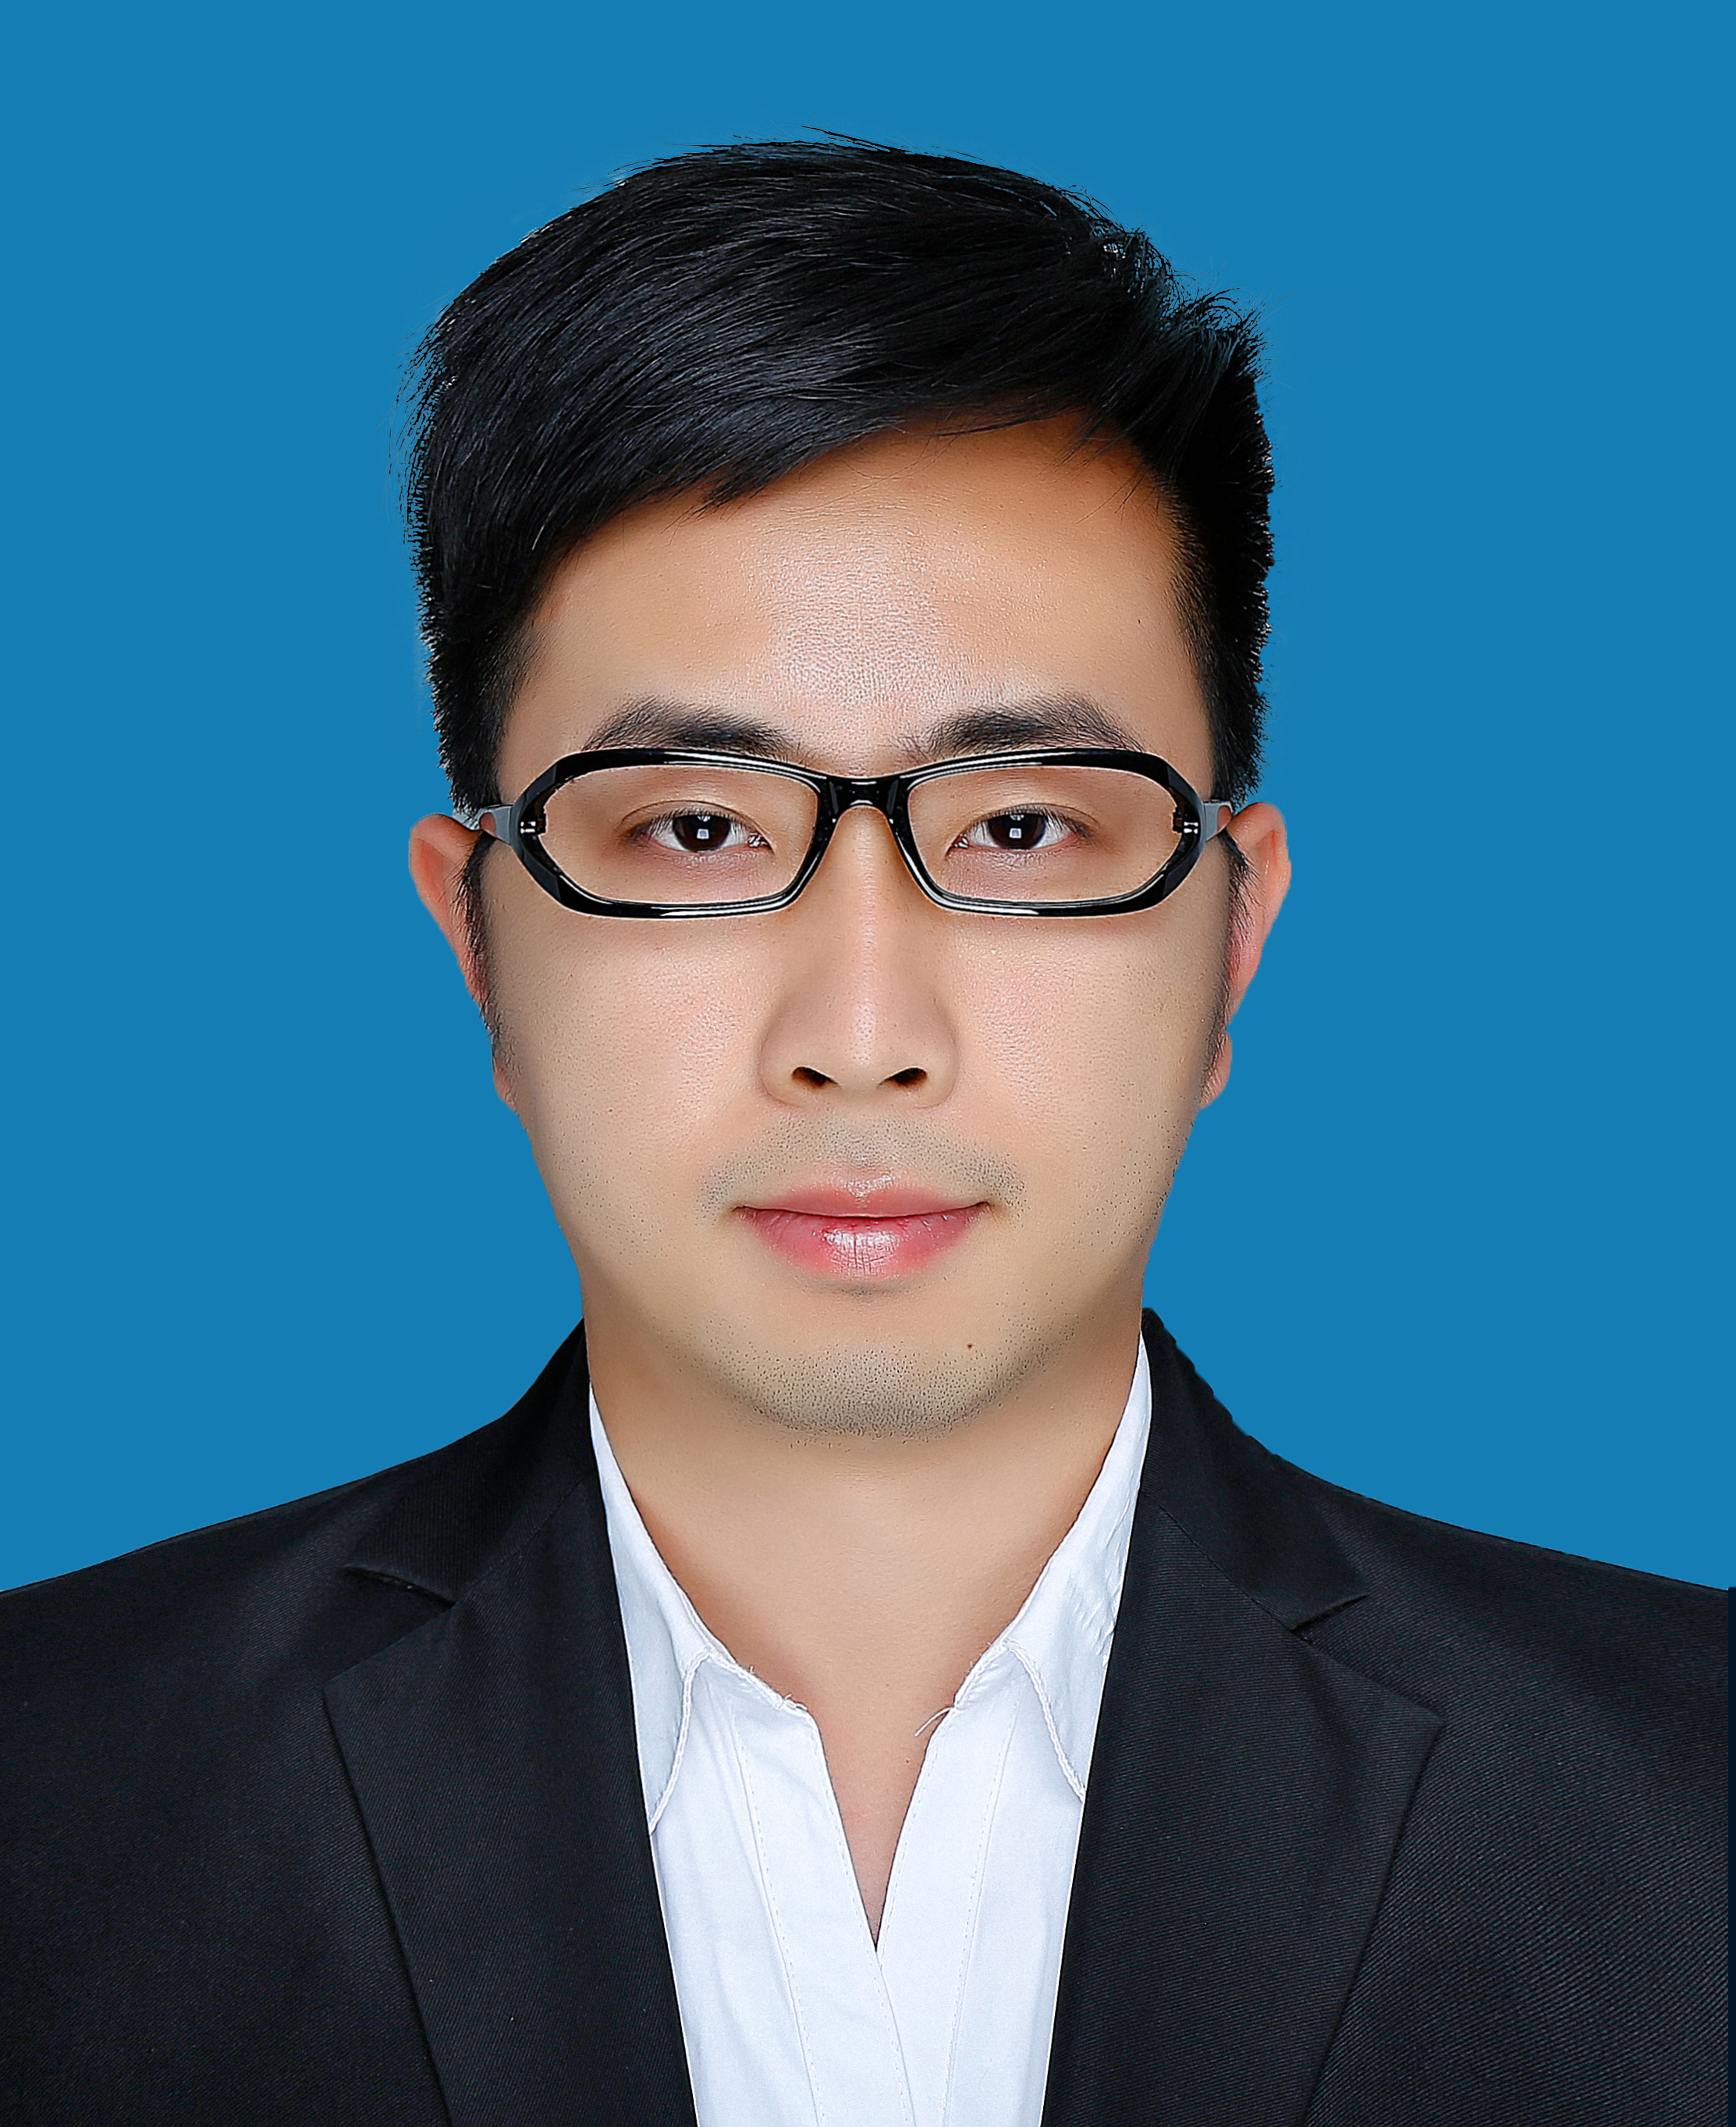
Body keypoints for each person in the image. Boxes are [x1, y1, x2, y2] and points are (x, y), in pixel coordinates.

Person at [0, 140, 1722, 2127]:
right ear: (477, 942)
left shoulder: (1688, 1811)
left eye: (1023, 827)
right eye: (695, 829)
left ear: (1233, 934)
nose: (863, 1039)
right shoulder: (56, 1798)